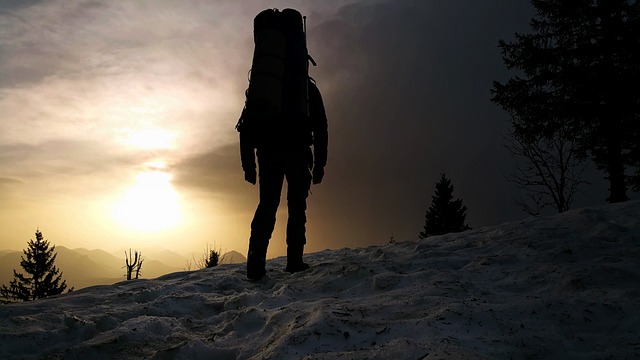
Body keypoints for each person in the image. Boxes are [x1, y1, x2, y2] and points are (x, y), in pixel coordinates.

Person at [239, 79, 328, 280]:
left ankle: (256, 256)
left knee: (267, 205)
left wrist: (249, 166)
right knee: (297, 206)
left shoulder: (264, 84)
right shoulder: (306, 86)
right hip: (298, 152)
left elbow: (245, 125)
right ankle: (294, 261)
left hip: (268, 153)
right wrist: (320, 164)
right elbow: (321, 126)